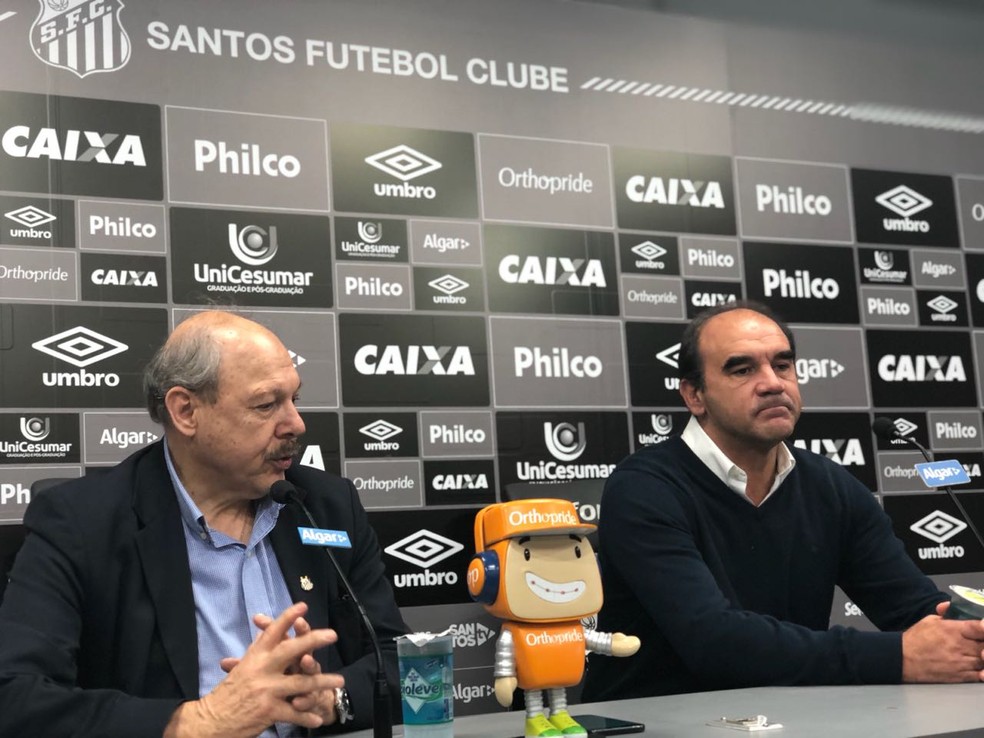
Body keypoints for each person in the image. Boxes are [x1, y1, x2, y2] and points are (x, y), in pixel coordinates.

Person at [0, 310, 409, 737]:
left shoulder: (325, 505)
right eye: (266, 405)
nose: (296, 424)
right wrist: (202, 722)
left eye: (294, 400)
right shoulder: (82, 523)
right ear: (186, 411)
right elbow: (16, 698)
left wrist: (329, 700)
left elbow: (403, 660)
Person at [582, 301, 984, 701]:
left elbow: (911, 606)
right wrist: (898, 656)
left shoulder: (830, 485)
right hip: (655, 722)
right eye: (742, 369)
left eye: (783, 365)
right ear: (694, 396)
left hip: (792, 717)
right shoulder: (644, 488)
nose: (773, 382)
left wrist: (964, 636)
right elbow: (713, 642)